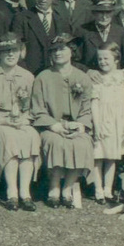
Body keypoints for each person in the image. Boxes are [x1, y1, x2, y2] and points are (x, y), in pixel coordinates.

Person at [32, 34, 94, 209]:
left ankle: (68, 187)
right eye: (54, 50)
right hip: (52, 125)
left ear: (71, 51)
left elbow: (87, 109)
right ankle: (54, 187)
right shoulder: (43, 77)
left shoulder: (82, 78)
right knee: (56, 142)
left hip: (75, 125)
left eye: (62, 49)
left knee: (82, 143)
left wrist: (80, 125)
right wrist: (54, 125)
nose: (58, 53)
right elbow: (37, 108)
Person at [0, 34, 41, 211]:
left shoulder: (28, 76)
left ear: (20, 53)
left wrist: (24, 119)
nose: (10, 54)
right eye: (5, 51)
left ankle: (25, 193)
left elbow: (33, 107)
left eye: (13, 50)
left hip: (20, 122)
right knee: (9, 137)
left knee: (31, 136)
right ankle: (12, 192)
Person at [88, 42, 124, 204]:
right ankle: (98, 189)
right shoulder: (96, 79)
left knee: (111, 156)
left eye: (106, 58)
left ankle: (108, 189)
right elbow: (94, 103)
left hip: (116, 121)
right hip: (101, 119)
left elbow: (123, 102)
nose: (103, 62)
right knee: (98, 156)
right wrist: (97, 126)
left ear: (116, 60)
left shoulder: (122, 78)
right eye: (100, 59)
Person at [10, 0, 69, 75]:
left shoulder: (61, 19)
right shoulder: (21, 18)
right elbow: (17, 51)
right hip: (29, 73)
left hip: (56, 74)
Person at [77, 0, 124, 74]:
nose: (104, 17)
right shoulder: (83, 31)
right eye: (100, 12)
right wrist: (87, 71)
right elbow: (73, 61)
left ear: (113, 13)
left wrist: (123, 79)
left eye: (108, 12)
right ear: (94, 13)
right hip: (90, 79)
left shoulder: (121, 32)